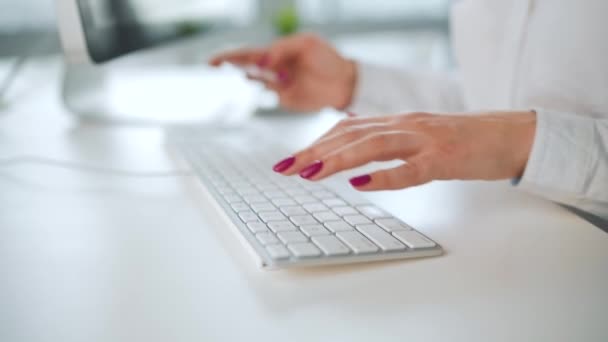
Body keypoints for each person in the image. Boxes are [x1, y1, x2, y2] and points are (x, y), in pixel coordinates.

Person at [210, 0, 608, 221]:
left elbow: (503, 133)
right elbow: (488, 110)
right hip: (509, 241)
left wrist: (521, 142)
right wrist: (352, 83)